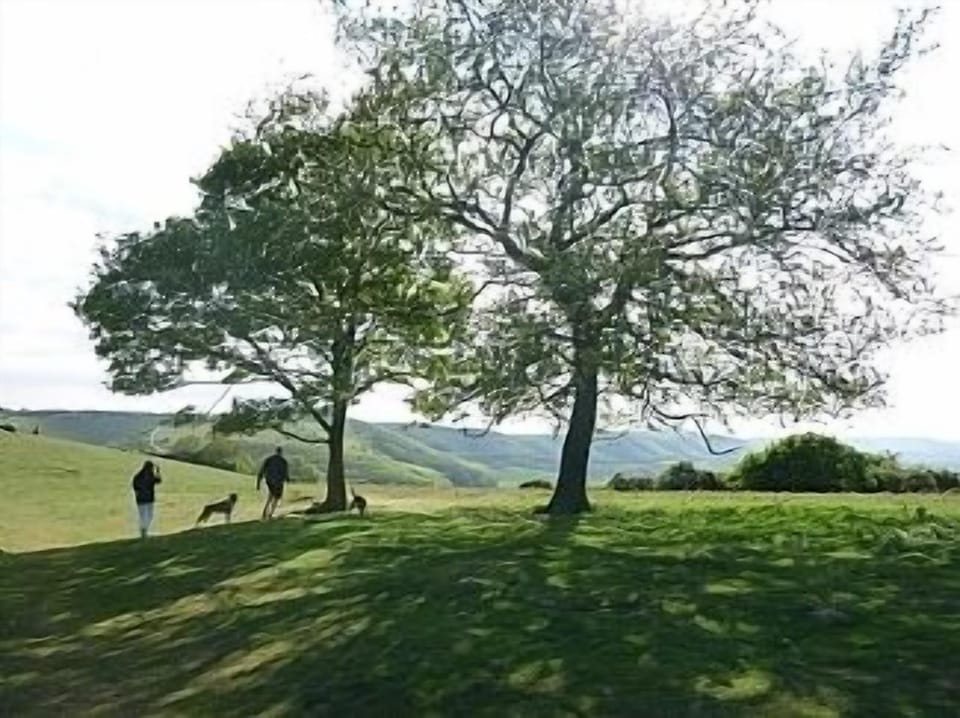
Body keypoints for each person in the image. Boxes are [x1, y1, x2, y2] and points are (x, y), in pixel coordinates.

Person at [131, 460, 162, 539]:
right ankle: (144, 531)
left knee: (147, 516)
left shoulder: (140, 476)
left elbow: (158, 481)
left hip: (144, 499)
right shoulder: (145, 476)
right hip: (145, 499)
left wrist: (157, 472)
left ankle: (144, 530)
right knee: (146, 516)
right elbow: (158, 480)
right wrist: (158, 472)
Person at [257, 447, 289, 519]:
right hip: (278, 482)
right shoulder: (283, 461)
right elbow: (286, 473)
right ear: (281, 452)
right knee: (276, 498)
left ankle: (265, 511)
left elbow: (262, 470)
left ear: (276, 451)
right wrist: (287, 479)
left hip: (269, 480)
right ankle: (271, 513)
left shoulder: (269, 459)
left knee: (271, 495)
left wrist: (258, 483)